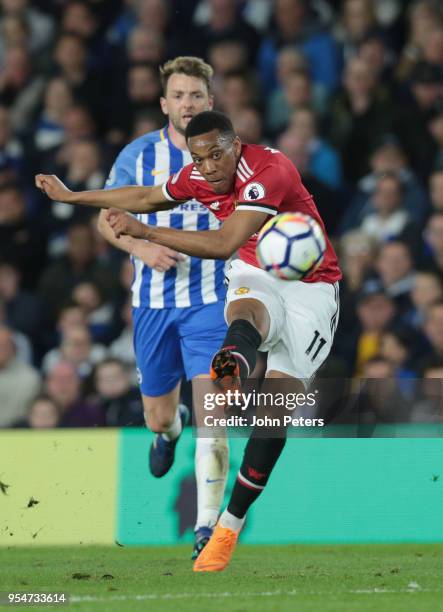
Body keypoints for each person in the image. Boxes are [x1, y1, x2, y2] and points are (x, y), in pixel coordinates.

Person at [35, 109, 341, 573]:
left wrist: (145, 231)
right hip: (256, 271)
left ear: (234, 145)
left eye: (215, 155)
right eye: (198, 159)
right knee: (246, 307)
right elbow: (143, 195)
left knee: (272, 419)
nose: (208, 168)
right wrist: (74, 196)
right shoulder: (199, 173)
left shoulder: (267, 170)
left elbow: (222, 242)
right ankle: (232, 362)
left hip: (311, 288)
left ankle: (228, 527)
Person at [98, 58, 230, 560]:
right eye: (179, 95)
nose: (188, 104)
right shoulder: (139, 155)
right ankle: (168, 427)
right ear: (164, 104)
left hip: (212, 304)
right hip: (154, 303)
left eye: (196, 95)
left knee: (213, 413)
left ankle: (205, 529)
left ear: (210, 102)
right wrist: (141, 249)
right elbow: (108, 221)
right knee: (157, 416)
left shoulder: (229, 157)